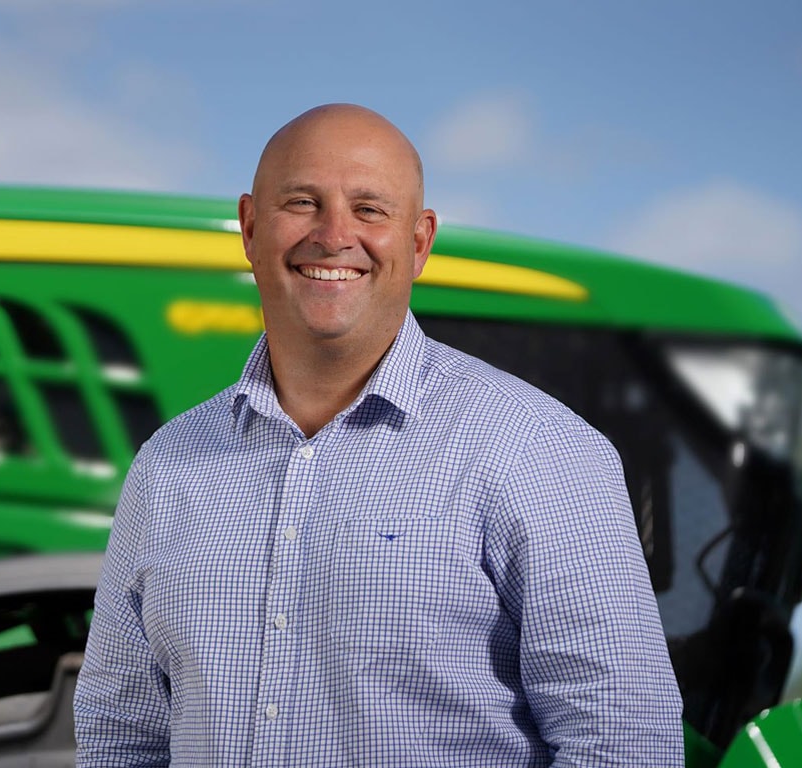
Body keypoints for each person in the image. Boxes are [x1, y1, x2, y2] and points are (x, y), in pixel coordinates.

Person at [73, 103, 683, 766]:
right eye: (303, 202)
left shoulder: (539, 452)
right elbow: (121, 734)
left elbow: (623, 741)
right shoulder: (167, 466)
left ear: (419, 243)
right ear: (249, 227)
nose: (335, 235)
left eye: (370, 209)